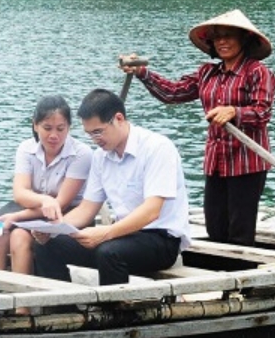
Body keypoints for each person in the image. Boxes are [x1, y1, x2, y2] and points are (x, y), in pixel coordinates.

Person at [123, 9, 275, 246]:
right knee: (215, 225)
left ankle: (239, 275)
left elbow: (263, 112)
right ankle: (218, 274)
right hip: (216, 161)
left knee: (240, 230)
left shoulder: (257, 72)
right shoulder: (208, 73)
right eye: (217, 37)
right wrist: (142, 73)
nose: (222, 42)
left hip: (247, 162)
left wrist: (234, 112)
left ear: (244, 39)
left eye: (229, 36)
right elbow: (173, 93)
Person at [32, 89, 191, 286]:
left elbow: (152, 211)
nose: (95, 139)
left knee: (109, 252)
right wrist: (54, 228)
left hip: (160, 239)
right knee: (48, 246)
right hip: (122, 235)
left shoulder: (157, 148)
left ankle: (114, 312)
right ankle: (63, 310)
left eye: (98, 132)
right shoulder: (100, 156)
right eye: (90, 134)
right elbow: (86, 209)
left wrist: (105, 233)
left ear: (119, 119)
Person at [0, 96, 92, 303]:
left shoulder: (81, 154)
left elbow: (62, 203)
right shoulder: (26, 148)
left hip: (66, 215)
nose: (54, 135)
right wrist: (43, 200)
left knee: (18, 236)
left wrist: (16, 216)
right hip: (29, 209)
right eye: (47, 128)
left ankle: (22, 306)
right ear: (35, 125)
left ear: (69, 127)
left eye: (60, 128)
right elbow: (20, 193)